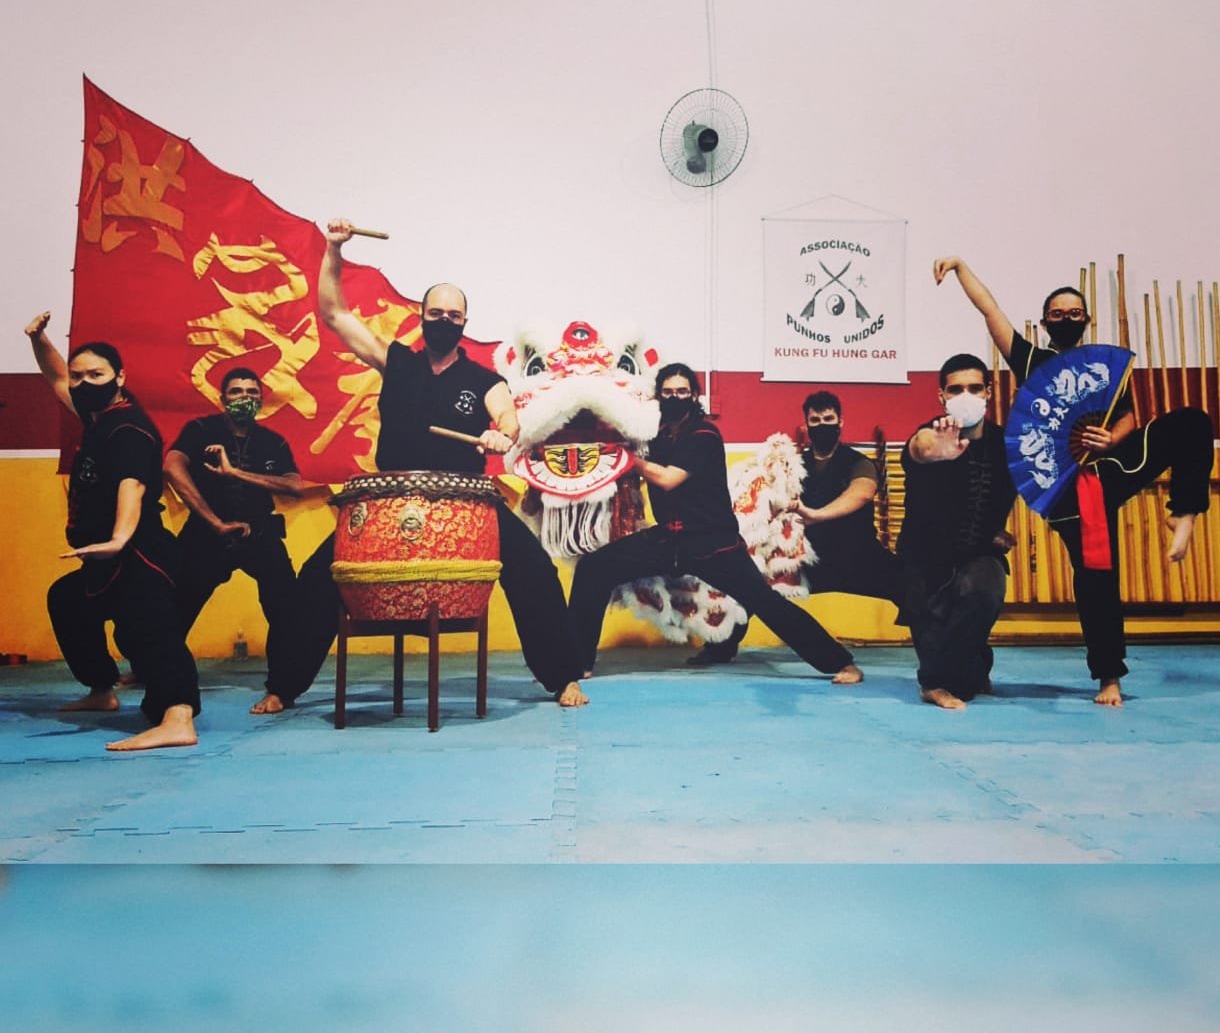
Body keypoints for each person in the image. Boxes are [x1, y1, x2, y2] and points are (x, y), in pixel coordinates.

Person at [250, 218, 588, 713]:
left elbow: (508, 419)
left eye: (454, 315)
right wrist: (334, 249)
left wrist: (501, 434)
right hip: (391, 499)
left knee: (534, 569)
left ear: (464, 323)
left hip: (466, 502)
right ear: (421, 316)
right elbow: (333, 312)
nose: (444, 320)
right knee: (318, 577)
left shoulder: (483, 380)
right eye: (436, 313)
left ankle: (561, 676)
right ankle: (283, 685)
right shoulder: (397, 363)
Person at [934, 257, 1214, 706]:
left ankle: (1183, 513)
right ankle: (1109, 677)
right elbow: (990, 310)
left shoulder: (1104, 367)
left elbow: (1128, 417)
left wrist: (1112, 438)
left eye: (1074, 312)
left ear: (1086, 319)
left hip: (1109, 465)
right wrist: (961, 268)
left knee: (1193, 423)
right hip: (1065, 487)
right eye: (1057, 313)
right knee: (1096, 577)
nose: (1066, 318)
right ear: (1045, 321)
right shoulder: (1032, 359)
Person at [567, 363, 864, 683]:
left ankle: (842, 664)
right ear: (659, 396)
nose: (675, 397)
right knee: (593, 568)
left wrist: (626, 459)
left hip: (713, 543)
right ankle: (576, 663)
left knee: (765, 602)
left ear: (694, 395)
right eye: (668, 392)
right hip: (668, 540)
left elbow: (668, 479)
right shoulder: (659, 436)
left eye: (682, 391)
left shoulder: (704, 435)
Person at [25, 312, 200, 750]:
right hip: (106, 554)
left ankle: (178, 717)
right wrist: (38, 339)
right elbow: (57, 378)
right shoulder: (99, 416)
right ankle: (102, 690)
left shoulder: (127, 429)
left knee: (149, 629)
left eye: (96, 375)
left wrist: (119, 539)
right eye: (80, 376)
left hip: (139, 550)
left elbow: (132, 486)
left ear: (120, 377)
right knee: (68, 601)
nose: (84, 383)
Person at [687, 389, 900, 666]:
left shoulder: (858, 462)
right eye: (815, 421)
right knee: (750, 584)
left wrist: (817, 515)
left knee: (914, 587)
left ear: (840, 422)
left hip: (857, 556)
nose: (822, 425)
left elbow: (861, 493)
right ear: (806, 425)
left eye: (828, 419)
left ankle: (937, 657)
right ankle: (719, 648)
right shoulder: (796, 465)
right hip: (809, 558)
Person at [897, 354, 1016, 709]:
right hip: (924, 558)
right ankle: (936, 684)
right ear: (942, 396)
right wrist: (936, 452)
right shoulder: (931, 435)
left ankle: (970, 668)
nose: (966, 396)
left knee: (982, 589)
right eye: (956, 389)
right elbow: (920, 447)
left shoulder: (1007, 445)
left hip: (978, 551)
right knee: (939, 648)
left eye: (975, 388)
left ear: (988, 392)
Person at [164, 368, 303, 657]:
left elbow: (294, 486)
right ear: (223, 398)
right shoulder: (200, 430)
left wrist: (236, 473)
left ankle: (285, 677)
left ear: (261, 400)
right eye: (236, 392)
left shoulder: (273, 442)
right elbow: (171, 466)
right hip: (206, 533)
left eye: (252, 392)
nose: (244, 397)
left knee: (288, 608)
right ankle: (156, 670)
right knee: (174, 607)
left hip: (259, 534)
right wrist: (214, 522)